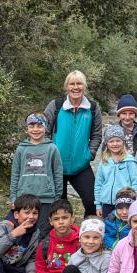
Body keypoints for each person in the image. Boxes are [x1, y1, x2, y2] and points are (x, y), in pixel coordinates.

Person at [44, 70, 102, 217]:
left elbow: (96, 135)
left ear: (85, 86)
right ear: (66, 87)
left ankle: (89, 235)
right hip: (56, 166)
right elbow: (43, 131)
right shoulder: (56, 106)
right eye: (72, 84)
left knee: (92, 202)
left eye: (79, 83)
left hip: (81, 165)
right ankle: (58, 237)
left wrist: (89, 154)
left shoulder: (93, 108)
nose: (76, 87)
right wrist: (49, 155)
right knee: (57, 206)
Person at [24, 199, 80, 273]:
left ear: (72, 218)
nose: (61, 222)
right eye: (56, 219)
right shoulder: (45, 243)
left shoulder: (80, 241)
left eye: (65, 217)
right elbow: (39, 267)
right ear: (50, 221)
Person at [9, 113, 62, 237]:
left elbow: (58, 174)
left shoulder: (52, 148)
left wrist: (57, 197)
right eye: (32, 126)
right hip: (24, 197)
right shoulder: (21, 149)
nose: (35, 129)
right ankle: (22, 253)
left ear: (45, 128)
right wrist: (13, 197)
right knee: (24, 229)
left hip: (46, 198)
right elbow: (15, 173)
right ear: (27, 129)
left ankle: (39, 255)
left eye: (39, 126)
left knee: (42, 231)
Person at [94, 125, 137, 219]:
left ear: (123, 142)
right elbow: (98, 184)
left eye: (118, 140)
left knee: (124, 227)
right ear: (106, 143)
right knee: (108, 227)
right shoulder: (104, 162)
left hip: (125, 203)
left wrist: (135, 201)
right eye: (111, 141)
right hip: (107, 203)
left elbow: (135, 182)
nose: (115, 144)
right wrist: (98, 204)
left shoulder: (129, 161)